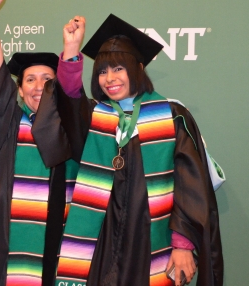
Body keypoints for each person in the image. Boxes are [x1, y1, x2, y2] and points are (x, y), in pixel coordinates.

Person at [52, 14, 223, 286]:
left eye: (119, 68)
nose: (110, 78)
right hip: (100, 241)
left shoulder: (171, 117)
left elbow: (189, 186)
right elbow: (68, 103)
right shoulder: (96, 115)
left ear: (138, 69)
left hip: (149, 242)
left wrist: (182, 244)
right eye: (103, 71)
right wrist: (71, 49)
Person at [0, 0, 85, 286]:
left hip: (61, 234)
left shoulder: (69, 124)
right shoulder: (10, 122)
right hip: (12, 234)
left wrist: (70, 51)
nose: (38, 86)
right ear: (19, 89)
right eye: (30, 79)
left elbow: (70, 95)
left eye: (47, 79)